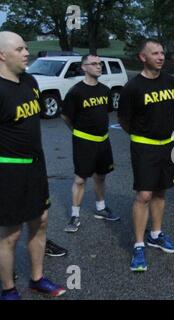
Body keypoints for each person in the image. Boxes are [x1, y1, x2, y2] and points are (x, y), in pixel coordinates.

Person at [0, 31, 66, 300]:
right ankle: (8, 290)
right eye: (19, 49)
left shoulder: (31, 81)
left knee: (40, 222)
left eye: (26, 47)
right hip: (8, 170)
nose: (27, 52)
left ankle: (37, 279)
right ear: (2, 55)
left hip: (36, 167)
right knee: (11, 235)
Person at [118, 39, 174, 272]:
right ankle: (138, 245)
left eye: (162, 53)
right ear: (142, 57)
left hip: (167, 144)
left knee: (160, 190)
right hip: (144, 146)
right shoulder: (132, 88)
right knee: (144, 195)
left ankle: (155, 234)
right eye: (155, 53)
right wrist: (144, 135)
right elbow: (124, 120)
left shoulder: (172, 82)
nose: (160, 56)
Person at [61, 54, 119, 233]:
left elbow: (107, 112)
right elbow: (65, 116)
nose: (99, 66)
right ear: (84, 67)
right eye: (94, 64)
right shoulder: (76, 91)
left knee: (101, 176)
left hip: (103, 141)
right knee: (80, 179)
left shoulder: (105, 90)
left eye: (100, 63)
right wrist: (77, 132)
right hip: (83, 142)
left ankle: (101, 208)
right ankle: (74, 216)